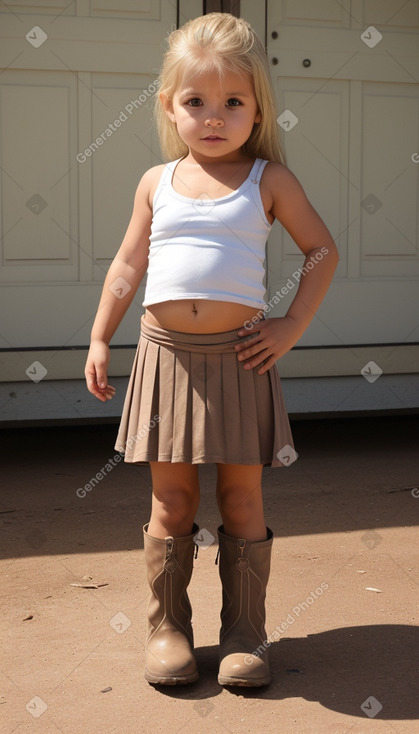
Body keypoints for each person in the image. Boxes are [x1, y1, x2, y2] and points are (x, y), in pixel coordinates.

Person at [85, 12, 339, 688]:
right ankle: (167, 629)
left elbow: (321, 251)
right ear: (169, 106)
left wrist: (289, 325)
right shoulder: (155, 182)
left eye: (233, 102)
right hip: (165, 359)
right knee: (170, 503)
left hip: (240, 361)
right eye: (196, 101)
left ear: (256, 110)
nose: (213, 116)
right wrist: (99, 333)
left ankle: (244, 634)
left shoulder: (268, 181)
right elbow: (126, 263)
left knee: (240, 500)